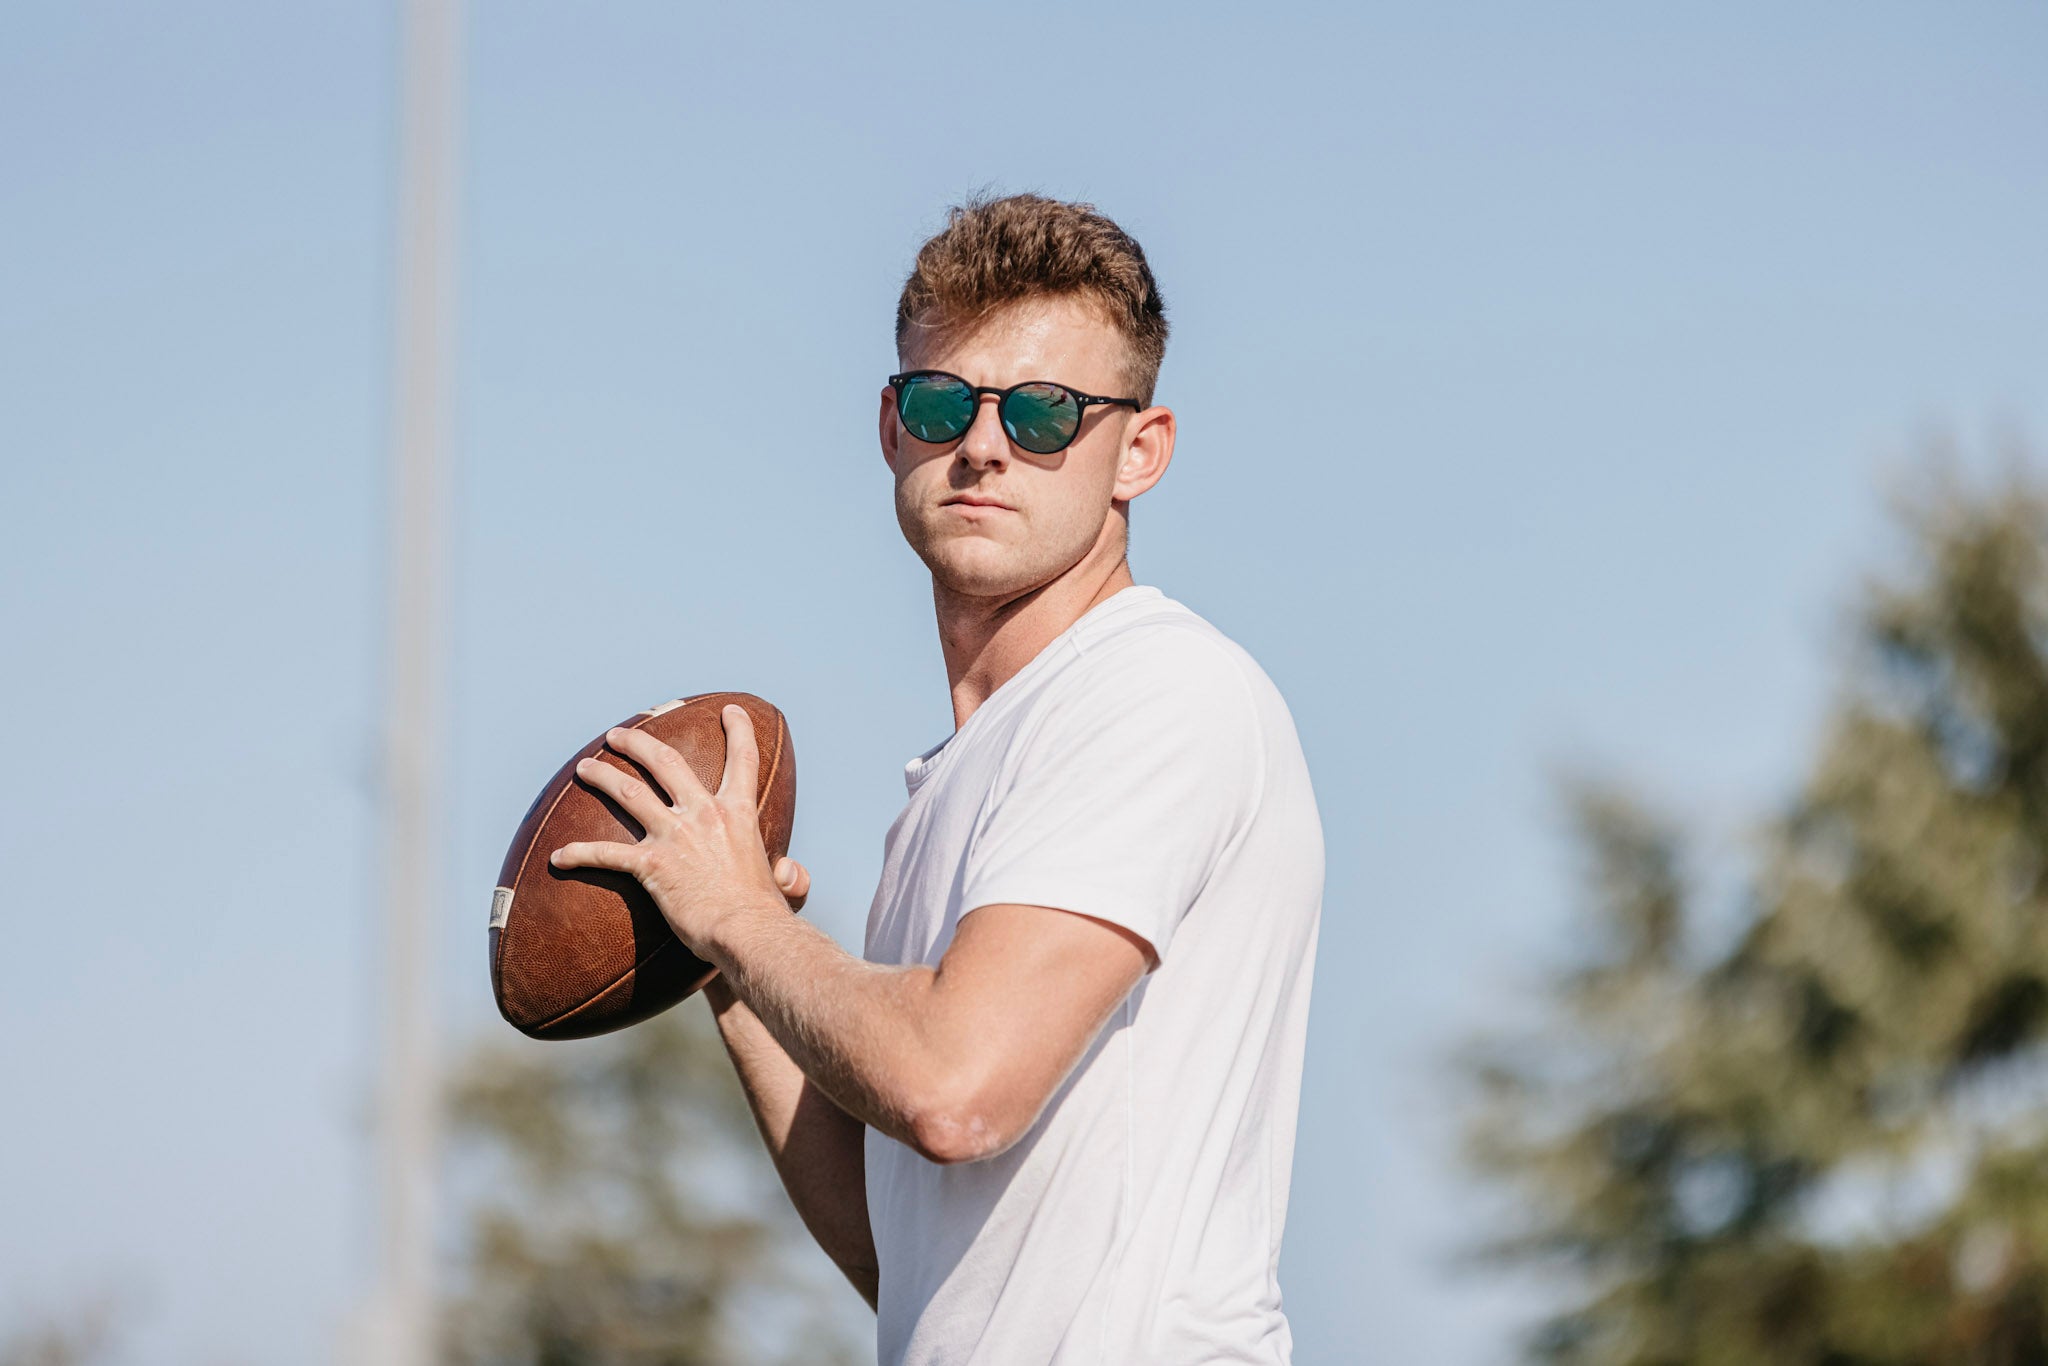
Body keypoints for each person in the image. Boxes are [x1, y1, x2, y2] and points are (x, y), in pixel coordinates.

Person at [549, 193, 1325, 1365]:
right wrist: (731, 965)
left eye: (1044, 412)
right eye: (940, 402)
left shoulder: (1155, 690)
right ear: (890, 426)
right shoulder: (968, 774)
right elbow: (900, 1257)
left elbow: (953, 1089)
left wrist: (745, 917)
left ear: (1140, 451)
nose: (982, 444)